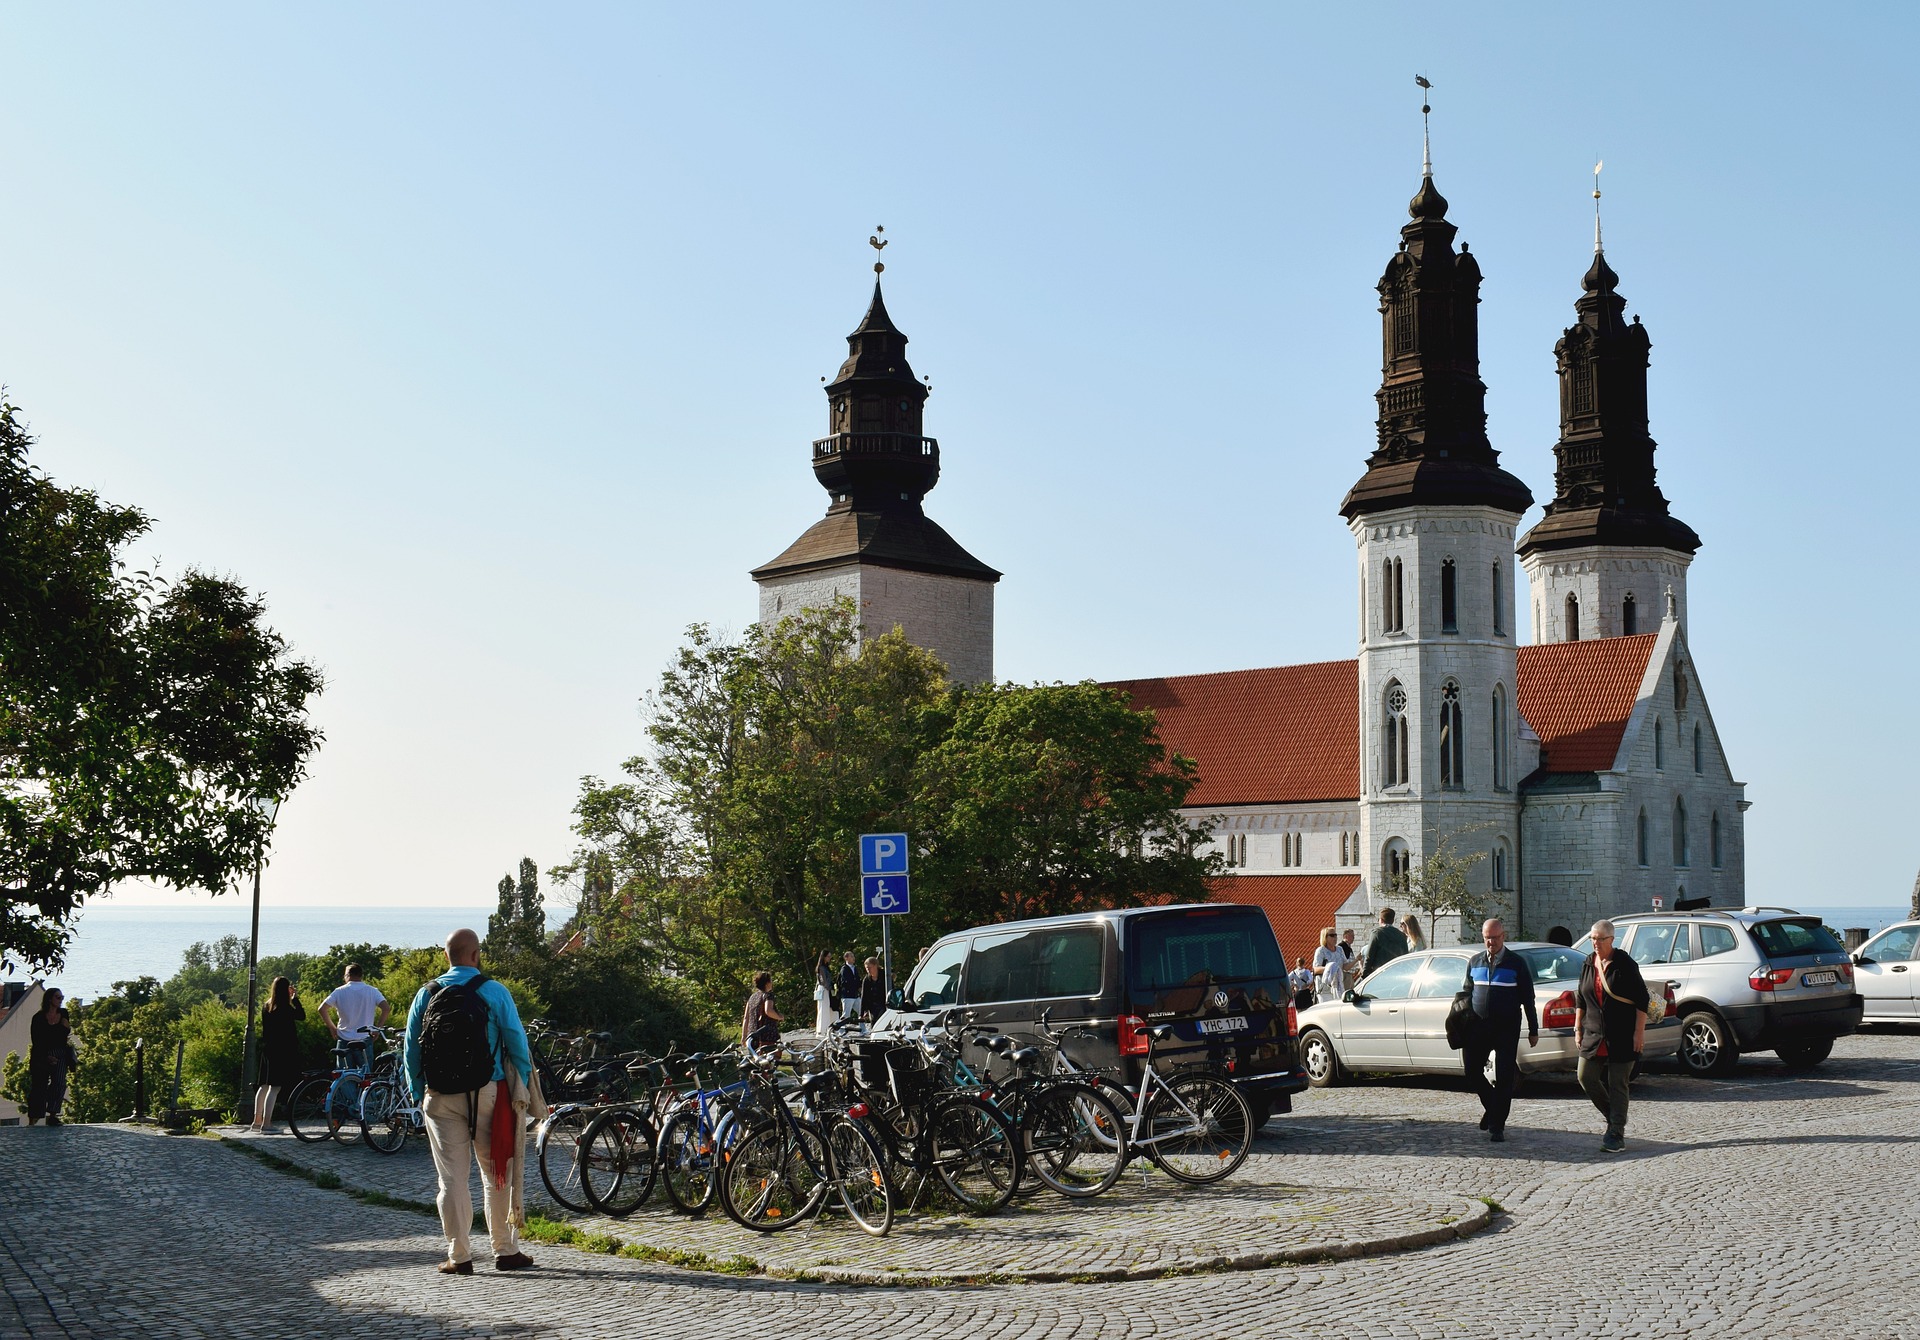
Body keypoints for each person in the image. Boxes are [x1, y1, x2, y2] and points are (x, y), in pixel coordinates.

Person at [402, 928, 537, 1276]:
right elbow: (517, 1043)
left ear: (446, 956)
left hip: (440, 1097)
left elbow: (411, 1050)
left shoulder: (426, 994)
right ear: (476, 955)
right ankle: (505, 1250)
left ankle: (459, 1256)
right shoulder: (494, 991)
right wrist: (521, 1087)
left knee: (451, 1180)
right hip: (488, 1091)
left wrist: (419, 1092)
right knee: (496, 1174)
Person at [1459, 918, 1539, 1143]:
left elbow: (1528, 998)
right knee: (1472, 1071)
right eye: (1487, 938)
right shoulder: (1475, 961)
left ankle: (1497, 1126)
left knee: (1504, 1077)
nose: (1491, 942)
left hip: (1506, 1028)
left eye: (1495, 938)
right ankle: (1493, 1108)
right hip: (1478, 1027)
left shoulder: (1516, 963)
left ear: (1503, 937)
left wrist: (1533, 1029)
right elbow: (1467, 993)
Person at [1575, 919, 1649, 1153]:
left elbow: (1642, 1001)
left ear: (1612, 940)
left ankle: (1616, 1133)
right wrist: (1577, 1028)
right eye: (1592, 939)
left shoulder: (1625, 964)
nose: (1595, 943)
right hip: (1593, 1033)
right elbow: (1580, 998)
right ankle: (1614, 1116)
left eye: (1600, 939)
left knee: (1617, 1083)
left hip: (1622, 1034)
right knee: (1585, 1076)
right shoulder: (1588, 962)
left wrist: (1638, 1034)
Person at [251, 976, 305, 1132]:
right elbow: (301, 1016)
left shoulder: (267, 1005)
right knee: (274, 1088)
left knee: (263, 1086)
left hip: (268, 1048)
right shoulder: (285, 1007)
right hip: (282, 1050)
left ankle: (256, 1121)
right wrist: (295, 999)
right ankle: (267, 1123)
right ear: (286, 990)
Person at [320, 963, 390, 1070]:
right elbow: (386, 1008)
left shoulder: (339, 991)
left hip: (344, 1038)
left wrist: (332, 1028)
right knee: (365, 1075)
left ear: (347, 975)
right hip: (364, 1038)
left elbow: (322, 1009)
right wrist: (377, 1029)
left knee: (344, 1075)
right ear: (361, 975)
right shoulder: (372, 991)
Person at [27, 988, 75, 1127]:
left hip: (60, 1052)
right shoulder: (39, 1018)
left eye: (62, 997)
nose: (61, 1000)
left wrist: (55, 1034)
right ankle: (34, 1117)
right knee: (39, 1086)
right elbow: (37, 1039)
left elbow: (65, 1032)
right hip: (41, 1054)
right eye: (58, 997)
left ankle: (53, 1115)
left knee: (59, 1083)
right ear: (49, 999)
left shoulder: (63, 1013)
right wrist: (46, 1056)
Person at [742, 972, 782, 1051]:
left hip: (752, 1035)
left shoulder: (752, 997)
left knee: (755, 1057)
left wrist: (744, 1036)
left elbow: (746, 1018)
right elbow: (768, 1011)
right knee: (769, 1057)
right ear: (767, 983)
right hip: (766, 1035)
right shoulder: (768, 995)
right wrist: (779, 1017)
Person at [1364, 906, 1409, 974]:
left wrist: (1365, 974)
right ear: (1393, 921)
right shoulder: (1401, 935)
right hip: (1397, 973)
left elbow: (1369, 956)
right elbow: (1405, 956)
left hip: (1379, 973)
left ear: (1381, 920)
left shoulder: (1377, 933)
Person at [1311, 929, 1344, 1005]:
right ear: (1325, 937)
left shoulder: (1339, 949)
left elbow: (1345, 966)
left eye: (1335, 935)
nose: (1335, 937)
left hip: (1337, 986)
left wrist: (1357, 960)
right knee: (1327, 1008)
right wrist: (1330, 968)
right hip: (1324, 988)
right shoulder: (1321, 950)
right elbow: (1315, 969)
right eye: (1332, 935)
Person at [811, 951, 836, 1034]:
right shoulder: (821, 968)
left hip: (826, 989)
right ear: (824, 957)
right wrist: (829, 988)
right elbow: (823, 981)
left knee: (827, 1008)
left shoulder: (825, 967)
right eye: (828, 956)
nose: (829, 958)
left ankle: (826, 1027)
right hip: (823, 989)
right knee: (823, 1009)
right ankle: (822, 1029)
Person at [858, 956, 887, 1022]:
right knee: (874, 1023)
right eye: (866, 968)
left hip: (884, 1005)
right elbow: (864, 996)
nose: (868, 970)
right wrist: (861, 1014)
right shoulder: (866, 980)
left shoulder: (885, 976)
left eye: (869, 968)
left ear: (875, 966)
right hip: (872, 1008)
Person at [837, 952, 861, 1022]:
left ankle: (863, 1027)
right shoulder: (844, 969)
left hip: (855, 994)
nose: (854, 958)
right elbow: (847, 981)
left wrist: (859, 987)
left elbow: (857, 979)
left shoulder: (855, 968)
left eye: (853, 956)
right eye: (851, 956)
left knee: (861, 1011)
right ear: (846, 958)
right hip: (847, 995)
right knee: (846, 1014)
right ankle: (841, 1027)